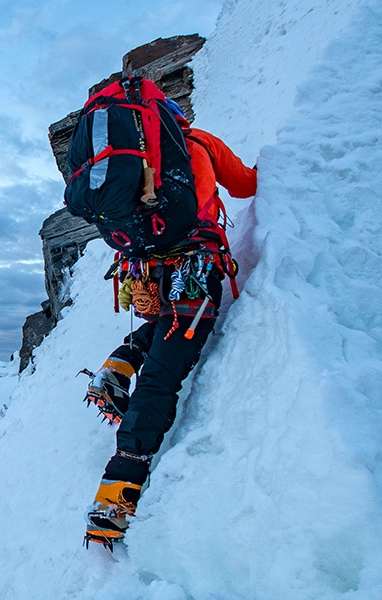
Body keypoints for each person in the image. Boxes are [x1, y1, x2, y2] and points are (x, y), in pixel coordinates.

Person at [83, 105, 257, 549]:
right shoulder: (198, 142)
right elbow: (245, 186)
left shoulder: (131, 160)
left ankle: (120, 363)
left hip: (146, 273)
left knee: (167, 328)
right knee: (161, 378)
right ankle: (116, 496)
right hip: (194, 272)